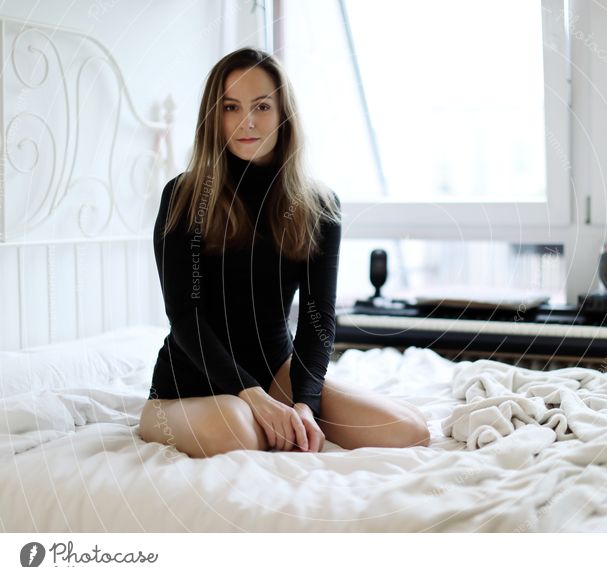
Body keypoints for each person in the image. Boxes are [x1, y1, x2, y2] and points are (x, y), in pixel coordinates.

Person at [138, 48, 429, 458]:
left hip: (277, 373)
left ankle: (271, 410)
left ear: (283, 113)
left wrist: (304, 406)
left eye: (262, 106)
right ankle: (249, 411)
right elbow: (185, 317)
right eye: (231, 107)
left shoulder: (318, 204)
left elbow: (318, 319)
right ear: (213, 117)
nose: (247, 122)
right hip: (187, 386)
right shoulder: (184, 196)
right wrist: (255, 399)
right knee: (241, 432)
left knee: (408, 430)